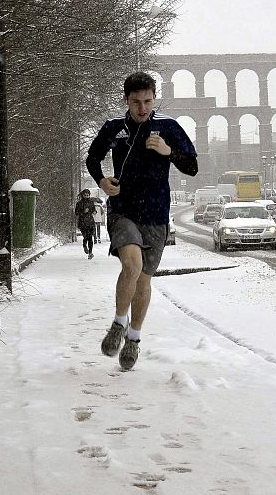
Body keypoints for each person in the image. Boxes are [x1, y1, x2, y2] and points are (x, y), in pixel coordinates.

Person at [85, 72, 198, 370]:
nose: (142, 108)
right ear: (126, 100)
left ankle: (133, 339)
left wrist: (168, 151)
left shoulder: (167, 127)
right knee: (131, 265)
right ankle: (118, 323)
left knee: (144, 279)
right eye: (136, 102)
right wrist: (102, 181)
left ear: (154, 98)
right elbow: (92, 158)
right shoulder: (114, 128)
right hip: (123, 209)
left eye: (147, 101)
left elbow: (193, 166)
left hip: (157, 213)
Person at [74, 189, 97, 259]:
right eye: (85, 195)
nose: (86, 196)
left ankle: (90, 253)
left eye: (88, 195)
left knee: (90, 237)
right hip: (82, 222)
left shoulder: (91, 202)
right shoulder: (79, 203)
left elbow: (94, 209)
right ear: (82, 195)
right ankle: (84, 245)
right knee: (86, 236)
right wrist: (83, 212)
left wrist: (94, 212)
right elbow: (76, 213)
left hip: (90, 222)